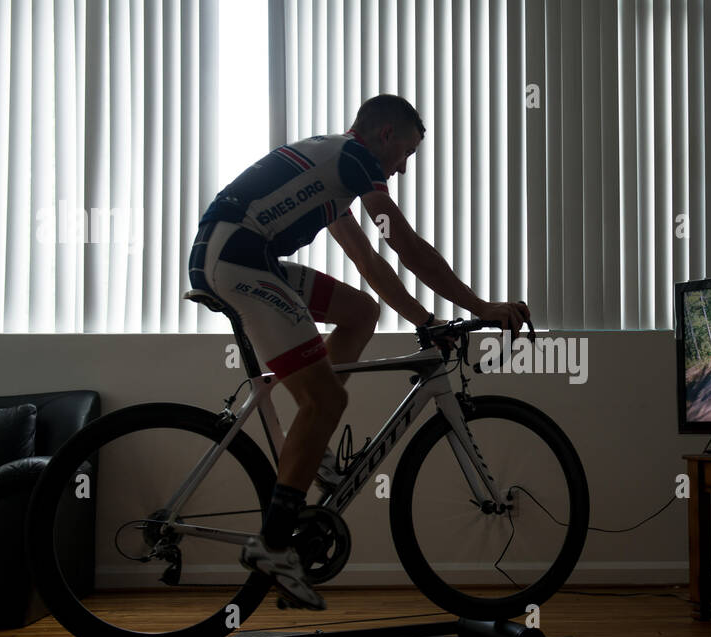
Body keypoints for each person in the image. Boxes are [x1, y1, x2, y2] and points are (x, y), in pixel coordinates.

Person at [189, 95, 531, 609]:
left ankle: (312, 441)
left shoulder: (333, 172)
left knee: (361, 312)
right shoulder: (355, 157)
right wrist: (481, 306)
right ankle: (274, 545)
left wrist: (426, 321)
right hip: (239, 260)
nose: (403, 168)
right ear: (385, 135)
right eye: (407, 154)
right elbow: (405, 245)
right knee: (326, 401)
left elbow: (370, 264)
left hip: (239, 253)